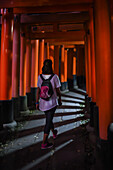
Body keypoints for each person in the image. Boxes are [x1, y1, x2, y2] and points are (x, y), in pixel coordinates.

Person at [36, 59, 62, 149]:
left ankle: (54, 132)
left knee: (49, 118)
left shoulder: (40, 77)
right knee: (48, 121)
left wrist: (37, 102)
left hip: (43, 102)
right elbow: (58, 91)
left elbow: (38, 90)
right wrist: (60, 99)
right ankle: (44, 142)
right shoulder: (55, 77)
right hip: (52, 102)